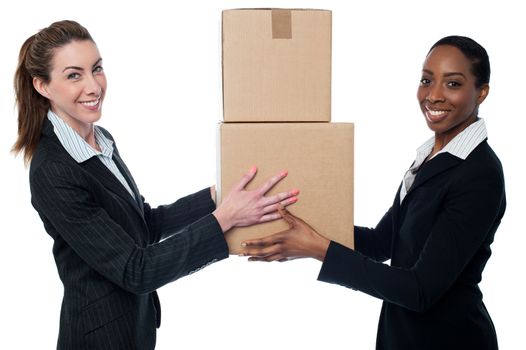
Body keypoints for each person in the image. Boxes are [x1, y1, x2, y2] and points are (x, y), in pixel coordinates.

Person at [12, 20, 299, 350]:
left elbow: (143, 225)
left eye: (97, 69)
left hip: (137, 327)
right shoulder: (54, 170)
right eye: (74, 75)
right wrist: (224, 220)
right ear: (43, 86)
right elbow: (136, 270)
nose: (94, 86)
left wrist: (218, 196)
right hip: (99, 339)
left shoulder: (100, 140)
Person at [242, 35, 506, 350]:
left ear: (482, 92)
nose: (433, 95)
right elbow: (383, 242)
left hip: (450, 339)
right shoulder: (431, 157)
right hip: (403, 337)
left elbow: (419, 290)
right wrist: (302, 228)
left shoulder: (478, 174)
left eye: (453, 84)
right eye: (426, 80)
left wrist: (320, 248)